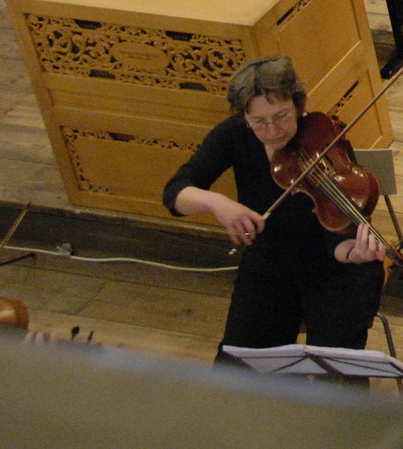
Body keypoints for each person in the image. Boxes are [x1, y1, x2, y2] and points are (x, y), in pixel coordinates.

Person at [161, 55, 386, 362]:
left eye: (281, 116)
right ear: (245, 117)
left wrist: (352, 252)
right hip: (270, 266)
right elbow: (175, 193)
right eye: (259, 122)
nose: (272, 131)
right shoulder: (234, 135)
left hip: (333, 272)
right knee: (238, 370)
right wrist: (218, 203)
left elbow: (337, 232)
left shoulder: (324, 137)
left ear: (298, 105)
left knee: (332, 375)